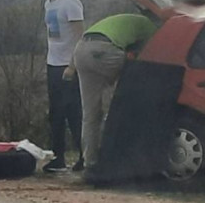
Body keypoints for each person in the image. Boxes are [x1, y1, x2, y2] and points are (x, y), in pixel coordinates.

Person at [66, 12, 158, 173]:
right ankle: (118, 157)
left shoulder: (125, 20)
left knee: (90, 114)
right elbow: (154, 52)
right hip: (104, 51)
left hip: (80, 51)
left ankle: (90, 163)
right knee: (134, 78)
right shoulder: (148, 25)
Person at [40, 0, 84, 173]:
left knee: (73, 112)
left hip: (68, 66)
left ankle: (85, 155)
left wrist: (73, 65)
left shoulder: (71, 2)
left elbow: (79, 37)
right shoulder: (48, 4)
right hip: (53, 64)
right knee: (55, 114)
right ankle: (58, 157)